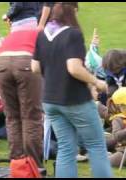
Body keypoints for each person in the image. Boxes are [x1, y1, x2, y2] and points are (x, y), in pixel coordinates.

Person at [31, 2, 112, 178]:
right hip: (74, 99)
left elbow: (35, 67)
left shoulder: (41, 34)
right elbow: (74, 68)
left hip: (50, 100)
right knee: (96, 146)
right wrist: (97, 82)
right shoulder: (73, 34)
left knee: (66, 148)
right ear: (72, 10)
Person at [0, 5, 44, 168]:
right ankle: (33, 166)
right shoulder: (40, 32)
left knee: (12, 117)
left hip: (1, 62)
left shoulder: (14, 33)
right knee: (31, 117)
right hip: (25, 61)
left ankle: (17, 164)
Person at [106, 87, 126, 167]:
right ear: (121, 107)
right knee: (109, 162)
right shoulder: (118, 119)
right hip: (123, 150)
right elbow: (116, 136)